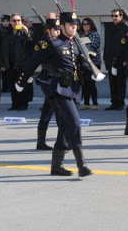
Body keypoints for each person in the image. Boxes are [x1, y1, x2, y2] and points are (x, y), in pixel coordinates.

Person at [17, 11, 103, 177]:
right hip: (59, 90)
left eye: (75, 25)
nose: (74, 27)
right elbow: (32, 62)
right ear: (62, 26)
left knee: (64, 127)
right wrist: (21, 81)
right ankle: (82, 164)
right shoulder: (52, 44)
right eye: (71, 25)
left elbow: (81, 64)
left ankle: (56, 166)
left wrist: (92, 73)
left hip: (74, 89)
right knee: (75, 123)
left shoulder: (76, 43)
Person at [34, 13, 60, 151]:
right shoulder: (43, 43)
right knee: (57, 109)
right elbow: (42, 60)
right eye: (55, 29)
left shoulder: (61, 41)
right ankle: (62, 143)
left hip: (56, 79)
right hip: (47, 80)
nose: (58, 32)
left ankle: (40, 142)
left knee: (47, 110)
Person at [0, 13, 34, 111]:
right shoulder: (7, 33)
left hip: (22, 63)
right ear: (10, 22)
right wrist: (3, 63)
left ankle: (23, 104)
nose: (16, 22)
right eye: (14, 21)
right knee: (12, 85)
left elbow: (31, 43)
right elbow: (2, 49)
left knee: (22, 84)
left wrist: (27, 32)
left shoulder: (25, 32)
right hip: (10, 63)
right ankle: (15, 103)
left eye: (18, 20)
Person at [103, 8, 128, 110]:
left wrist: (126, 60)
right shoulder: (110, 28)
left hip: (121, 59)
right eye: (112, 16)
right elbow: (107, 43)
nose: (114, 18)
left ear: (121, 17)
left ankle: (120, 102)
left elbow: (127, 47)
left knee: (120, 82)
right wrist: (105, 57)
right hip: (110, 59)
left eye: (116, 16)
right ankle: (114, 102)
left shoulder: (126, 29)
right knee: (112, 82)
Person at [80, 17, 101, 110]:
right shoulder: (80, 35)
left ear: (91, 25)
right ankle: (86, 103)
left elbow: (91, 46)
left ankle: (95, 103)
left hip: (93, 62)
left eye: (87, 24)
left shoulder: (94, 34)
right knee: (84, 84)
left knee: (91, 83)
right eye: (84, 24)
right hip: (83, 62)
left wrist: (82, 43)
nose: (85, 26)